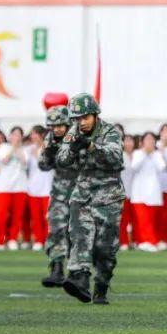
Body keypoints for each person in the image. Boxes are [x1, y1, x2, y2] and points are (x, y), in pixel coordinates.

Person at [56, 93, 126, 305]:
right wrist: (72, 150)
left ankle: (101, 286)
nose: (81, 122)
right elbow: (61, 159)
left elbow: (115, 157)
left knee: (105, 249)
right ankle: (81, 280)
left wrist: (90, 146)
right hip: (83, 195)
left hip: (109, 197)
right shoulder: (73, 132)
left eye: (85, 117)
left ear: (95, 115)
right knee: (80, 236)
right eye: (77, 118)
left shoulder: (110, 131)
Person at [39, 106, 77, 286]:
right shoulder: (50, 139)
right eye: (53, 126)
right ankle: (56, 269)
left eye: (60, 125)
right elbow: (43, 165)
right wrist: (48, 154)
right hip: (59, 193)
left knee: (77, 234)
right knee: (56, 229)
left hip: (79, 193)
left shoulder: (78, 138)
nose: (57, 129)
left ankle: (77, 273)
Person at [0, 127, 29, 250]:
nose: (16, 137)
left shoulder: (25, 150)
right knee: (0, 215)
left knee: (16, 216)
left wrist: (18, 148)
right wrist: (13, 147)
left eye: (18, 135)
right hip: (3, 187)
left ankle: (12, 239)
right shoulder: (3, 147)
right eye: (14, 134)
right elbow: (4, 160)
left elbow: (25, 163)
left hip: (20, 187)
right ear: (10, 136)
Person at [129, 132, 165, 252]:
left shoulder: (158, 155)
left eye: (152, 140)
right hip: (139, 192)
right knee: (142, 219)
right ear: (142, 142)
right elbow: (134, 167)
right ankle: (149, 241)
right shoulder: (137, 153)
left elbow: (162, 168)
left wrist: (153, 154)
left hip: (153, 191)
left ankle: (147, 241)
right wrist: (145, 153)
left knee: (150, 219)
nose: (150, 142)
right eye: (147, 139)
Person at [25, 126, 51, 252]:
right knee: (35, 218)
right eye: (31, 134)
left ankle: (49, 240)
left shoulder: (49, 148)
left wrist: (37, 156)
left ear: (41, 135)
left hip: (47, 189)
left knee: (47, 217)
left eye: (34, 134)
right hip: (33, 189)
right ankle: (38, 240)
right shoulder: (29, 149)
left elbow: (48, 165)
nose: (32, 136)